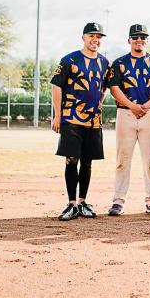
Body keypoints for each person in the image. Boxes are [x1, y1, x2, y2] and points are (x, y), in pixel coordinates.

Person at [50, 22, 110, 221]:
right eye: (91, 36)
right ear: (83, 37)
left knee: (87, 162)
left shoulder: (104, 62)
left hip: (93, 120)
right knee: (71, 160)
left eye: (99, 37)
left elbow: (104, 87)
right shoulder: (69, 60)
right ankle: (71, 204)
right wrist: (58, 116)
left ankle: (83, 202)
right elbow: (56, 87)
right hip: (71, 118)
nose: (95, 39)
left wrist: (100, 102)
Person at [107, 24, 150, 216]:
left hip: (149, 113)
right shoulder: (118, 63)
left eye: (142, 38)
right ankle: (118, 200)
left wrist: (147, 105)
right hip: (125, 112)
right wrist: (132, 105)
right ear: (129, 40)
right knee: (122, 159)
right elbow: (114, 88)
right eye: (135, 37)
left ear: (147, 41)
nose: (139, 40)